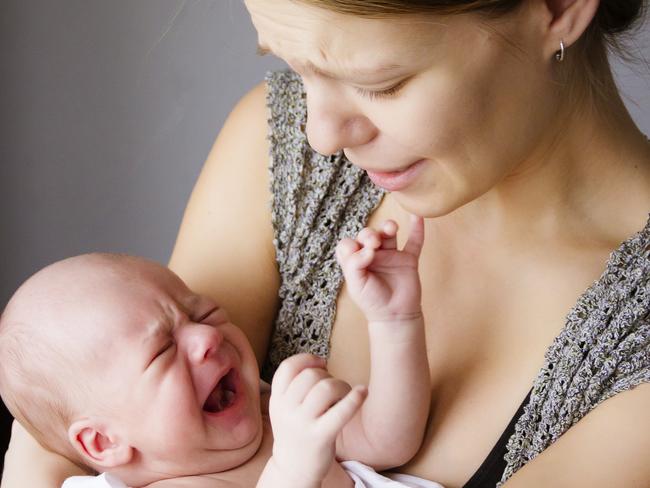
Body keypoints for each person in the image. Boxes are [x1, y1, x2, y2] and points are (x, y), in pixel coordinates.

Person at [3, 0, 650, 487]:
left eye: (378, 81)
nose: (320, 134)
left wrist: (396, 326)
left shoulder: (634, 338)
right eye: (293, 68)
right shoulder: (279, 149)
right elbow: (68, 410)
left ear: (560, 6)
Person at [0, 219, 440, 488]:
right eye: (163, 350)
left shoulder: (275, 417)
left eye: (204, 313)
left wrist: (394, 322)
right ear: (104, 442)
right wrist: (293, 469)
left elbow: (389, 440)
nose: (205, 338)